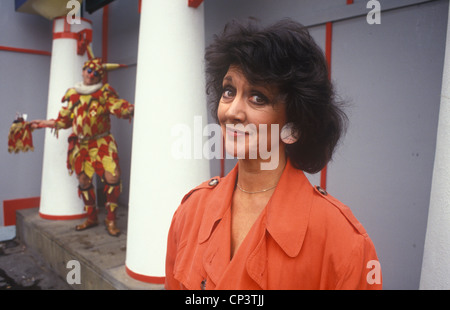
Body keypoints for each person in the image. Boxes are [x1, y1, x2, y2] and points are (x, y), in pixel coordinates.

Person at [165, 19, 382, 289]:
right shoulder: (190, 212)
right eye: (229, 91)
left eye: (258, 97)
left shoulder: (343, 242)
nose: (232, 111)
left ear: (294, 125)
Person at [31, 54, 134, 237]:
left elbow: (117, 106)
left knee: (112, 178)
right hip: (81, 145)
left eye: (96, 72)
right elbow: (64, 121)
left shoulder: (104, 93)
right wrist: (43, 124)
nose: (91, 74)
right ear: (83, 70)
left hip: (102, 141)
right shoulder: (72, 94)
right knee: (84, 181)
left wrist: (129, 109)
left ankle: (111, 219)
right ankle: (91, 216)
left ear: (99, 76)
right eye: (89, 70)